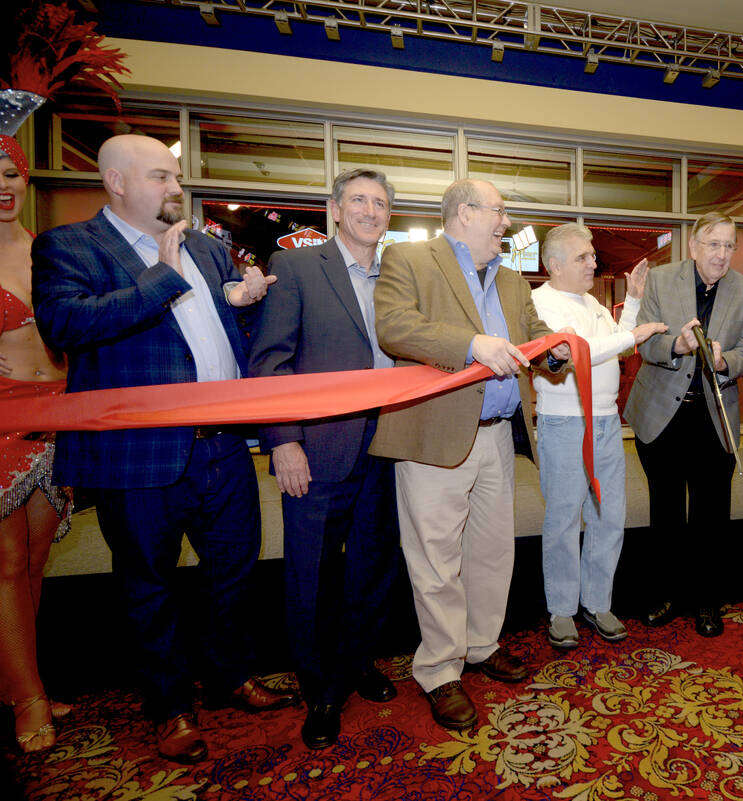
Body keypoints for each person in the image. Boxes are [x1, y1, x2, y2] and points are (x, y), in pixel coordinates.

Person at [31, 134, 297, 764]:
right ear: (117, 182)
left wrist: (245, 301)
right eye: (159, 177)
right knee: (147, 584)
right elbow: (64, 325)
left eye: (176, 177)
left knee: (234, 568)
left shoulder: (204, 246)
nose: (175, 188)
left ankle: (230, 675)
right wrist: (160, 277)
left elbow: (228, 337)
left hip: (224, 446)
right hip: (139, 453)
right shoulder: (70, 246)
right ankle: (170, 705)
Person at [370, 178, 570, 730]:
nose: (505, 224)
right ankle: (438, 670)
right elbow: (395, 327)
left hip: (498, 434)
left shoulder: (510, 280)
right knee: (435, 561)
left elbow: (534, 334)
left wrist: (555, 352)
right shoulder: (409, 258)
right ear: (464, 212)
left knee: (491, 552)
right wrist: (469, 346)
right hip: (433, 436)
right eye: (499, 212)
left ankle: (481, 646)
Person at [248, 169, 401, 750]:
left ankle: (356, 662)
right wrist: (283, 439)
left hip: (389, 445)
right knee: (309, 572)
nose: (369, 211)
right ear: (334, 210)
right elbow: (270, 361)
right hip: (317, 448)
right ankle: (320, 687)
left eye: (380, 203)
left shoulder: (400, 275)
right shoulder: (297, 268)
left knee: (372, 565)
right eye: (358, 200)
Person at [624, 211, 743, 638]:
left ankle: (706, 601)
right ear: (694, 246)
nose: (721, 254)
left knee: (710, 516)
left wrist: (724, 361)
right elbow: (644, 344)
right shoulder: (663, 281)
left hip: (714, 419)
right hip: (661, 417)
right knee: (665, 512)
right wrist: (677, 345)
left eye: (728, 245)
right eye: (713, 244)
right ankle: (666, 594)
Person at [530, 223, 667, 649]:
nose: (594, 262)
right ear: (554, 265)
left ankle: (597, 602)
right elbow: (576, 354)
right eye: (583, 257)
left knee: (609, 518)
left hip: (606, 422)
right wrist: (635, 332)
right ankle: (561, 611)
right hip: (564, 423)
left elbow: (614, 347)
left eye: (592, 255)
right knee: (564, 520)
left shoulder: (591, 301)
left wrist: (635, 303)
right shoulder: (540, 304)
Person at [0, 136, 72, 753]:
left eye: (10, 173)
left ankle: (19, 678)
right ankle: (29, 699)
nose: (3, 185)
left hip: (63, 415)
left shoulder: (47, 252)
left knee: (36, 558)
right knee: (6, 560)